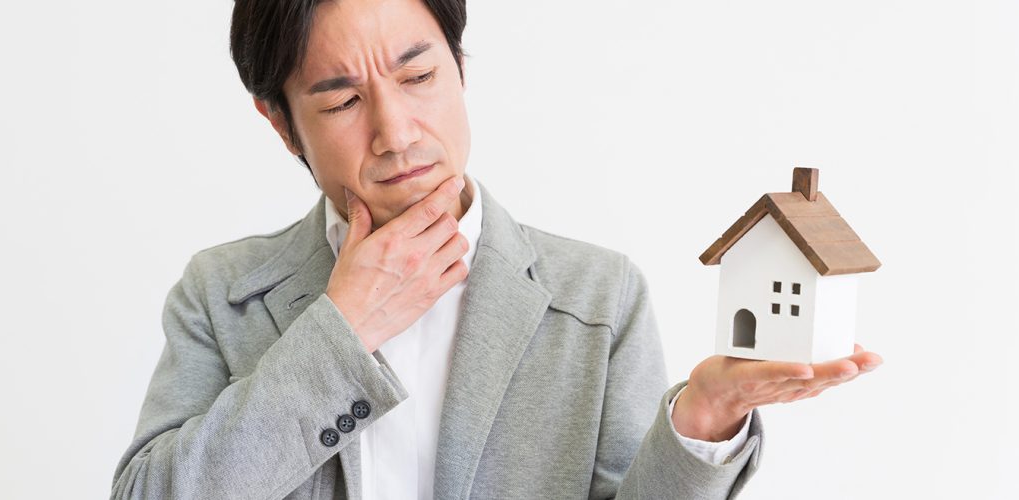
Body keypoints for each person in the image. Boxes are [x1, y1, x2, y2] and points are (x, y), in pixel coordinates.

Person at [110, 0, 883, 498]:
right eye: (342, 100)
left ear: (460, 70)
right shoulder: (223, 293)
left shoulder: (598, 296)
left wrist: (705, 417)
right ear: (281, 124)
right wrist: (341, 331)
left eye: (419, 75)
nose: (397, 133)